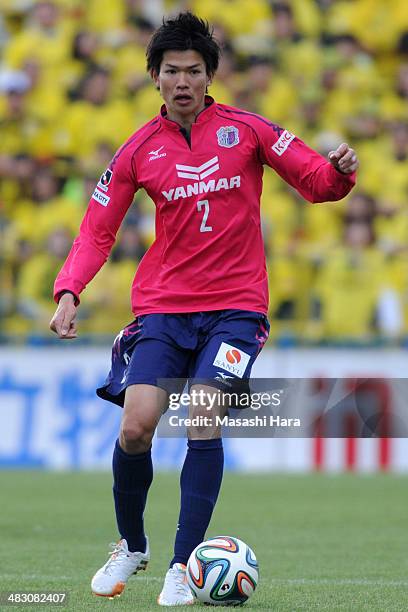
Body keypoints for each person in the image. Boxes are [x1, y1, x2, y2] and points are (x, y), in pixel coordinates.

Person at [49, 12, 359, 606]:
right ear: (155, 78)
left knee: (203, 412)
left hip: (237, 309)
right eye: (171, 71)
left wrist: (340, 172)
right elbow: (97, 230)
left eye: (194, 70)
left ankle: (181, 564)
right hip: (164, 308)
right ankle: (132, 546)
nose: (183, 81)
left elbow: (315, 181)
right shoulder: (138, 148)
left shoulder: (246, 130)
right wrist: (69, 290)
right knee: (136, 426)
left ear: (210, 75)